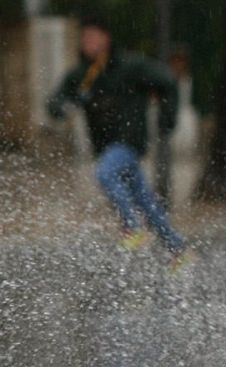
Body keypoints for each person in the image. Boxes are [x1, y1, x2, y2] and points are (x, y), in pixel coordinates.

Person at [47, 15, 191, 269]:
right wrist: (63, 107)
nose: (88, 42)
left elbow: (168, 81)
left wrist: (166, 121)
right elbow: (54, 102)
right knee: (145, 201)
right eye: (85, 38)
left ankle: (131, 228)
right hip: (104, 147)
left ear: (106, 38)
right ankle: (179, 249)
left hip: (128, 144)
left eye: (93, 37)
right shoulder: (80, 74)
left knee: (105, 174)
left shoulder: (131, 66)